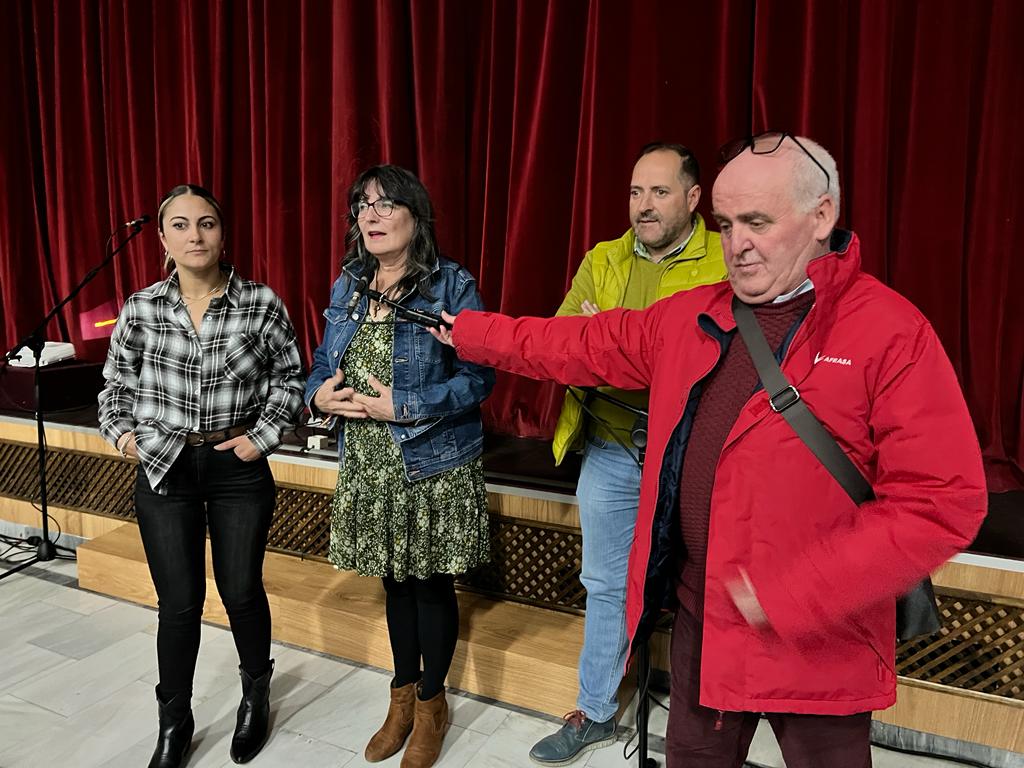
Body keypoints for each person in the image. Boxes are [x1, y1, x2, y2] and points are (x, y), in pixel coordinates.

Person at [431, 133, 987, 767]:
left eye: (757, 222)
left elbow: (942, 503)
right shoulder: (692, 315)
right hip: (704, 624)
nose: (736, 245)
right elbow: (580, 344)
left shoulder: (890, 330)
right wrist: (468, 331)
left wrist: (791, 596)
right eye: (725, 224)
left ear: (822, 215)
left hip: (820, 640)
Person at [98, 184, 305, 768]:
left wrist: (258, 441)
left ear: (222, 232)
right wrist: (124, 436)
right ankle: (174, 720)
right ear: (163, 239)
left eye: (207, 223)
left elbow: (291, 382)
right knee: (179, 604)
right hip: (164, 467)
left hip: (236, 467)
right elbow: (114, 390)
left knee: (240, 590)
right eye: (182, 226)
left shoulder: (259, 302)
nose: (196, 236)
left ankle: (255, 695)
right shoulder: (139, 307)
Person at [532, 142, 725, 765]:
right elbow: (563, 345)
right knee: (605, 583)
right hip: (613, 447)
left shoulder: (725, 261)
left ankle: (721, 717)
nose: (643, 206)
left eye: (659, 192)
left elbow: (719, 366)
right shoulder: (604, 257)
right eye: (636, 192)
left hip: (693, 455)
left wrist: (611, 339)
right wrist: (606, 349)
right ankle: (595, 711)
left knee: (706, 584)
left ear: (694, 198)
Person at [305, 165, 494, 768]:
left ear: (416, 216)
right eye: (363, 206)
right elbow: (320, 360)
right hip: (366, 460)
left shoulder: (451, 285)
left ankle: (433, 705)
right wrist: (319, 394)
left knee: (430, 585)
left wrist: (404, 405)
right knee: (394, 580)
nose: (373, 216)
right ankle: (402, 697)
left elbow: (479, 376)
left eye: (387, 205)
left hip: (431, 459)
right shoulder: (349, 283)